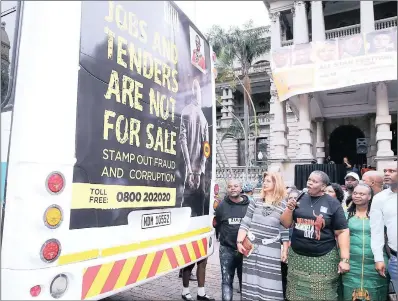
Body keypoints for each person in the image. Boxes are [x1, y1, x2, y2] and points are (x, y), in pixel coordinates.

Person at [281, 171, 350, 301]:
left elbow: (342, 231)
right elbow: (286, 224)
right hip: (297, 259)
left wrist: (345, 259)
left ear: (323, 186)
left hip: (323, 260)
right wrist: (289, 209)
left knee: (322, 296)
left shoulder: (332, 203)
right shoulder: (300, 197)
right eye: (309, 180)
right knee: (296, 295)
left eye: (314, 181)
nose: (309, 183)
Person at [236, 172, 290, 300]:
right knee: (251, 283)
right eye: (264, 180)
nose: (264, 183)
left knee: (270, 283)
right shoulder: (255, 201)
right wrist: (239, 242)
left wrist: (285, 251)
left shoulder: (283, 204)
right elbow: (246, 222)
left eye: (268, 181)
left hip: (271, 249)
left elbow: (284, 229)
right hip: (251, 248)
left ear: (276, 184)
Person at [342, 184, 390, 301]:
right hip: (351, 264)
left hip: (375, 263)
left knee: (376, 292)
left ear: (369, 197)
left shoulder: (379, 215)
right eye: (355, 193)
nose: (357, 196)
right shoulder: (345, 215)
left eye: (362, 194)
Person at [215, 179, 250, 301]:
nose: (233, 188)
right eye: (230, 186)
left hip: (245, 251)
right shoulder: (221, 206)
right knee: (226, 281)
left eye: (236, 186)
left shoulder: (250, 205)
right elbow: (217, 223)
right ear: (227, 189)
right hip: (227, 250)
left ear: (241, 188)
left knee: (245, 283)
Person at [180, 78, 209, 217]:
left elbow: (183, 141)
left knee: (186, 204)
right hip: (198, 171)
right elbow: (206, 148)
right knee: (199, 204)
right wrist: (198, 172)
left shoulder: (185, 112)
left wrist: (190, 171)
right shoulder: (203, 117)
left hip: (189, 170)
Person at [370, 164, 398, 292]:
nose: (386, 173)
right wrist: (379, 258)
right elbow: (376, 231)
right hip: (395, 259)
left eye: (391, 171)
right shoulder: (379, 198)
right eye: (385, 170)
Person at [281, 188, 299, 300]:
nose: (292, 200)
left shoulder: (303, 213)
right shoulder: (284, 212)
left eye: (295, 198)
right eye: (290, 198)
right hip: (284, 249)